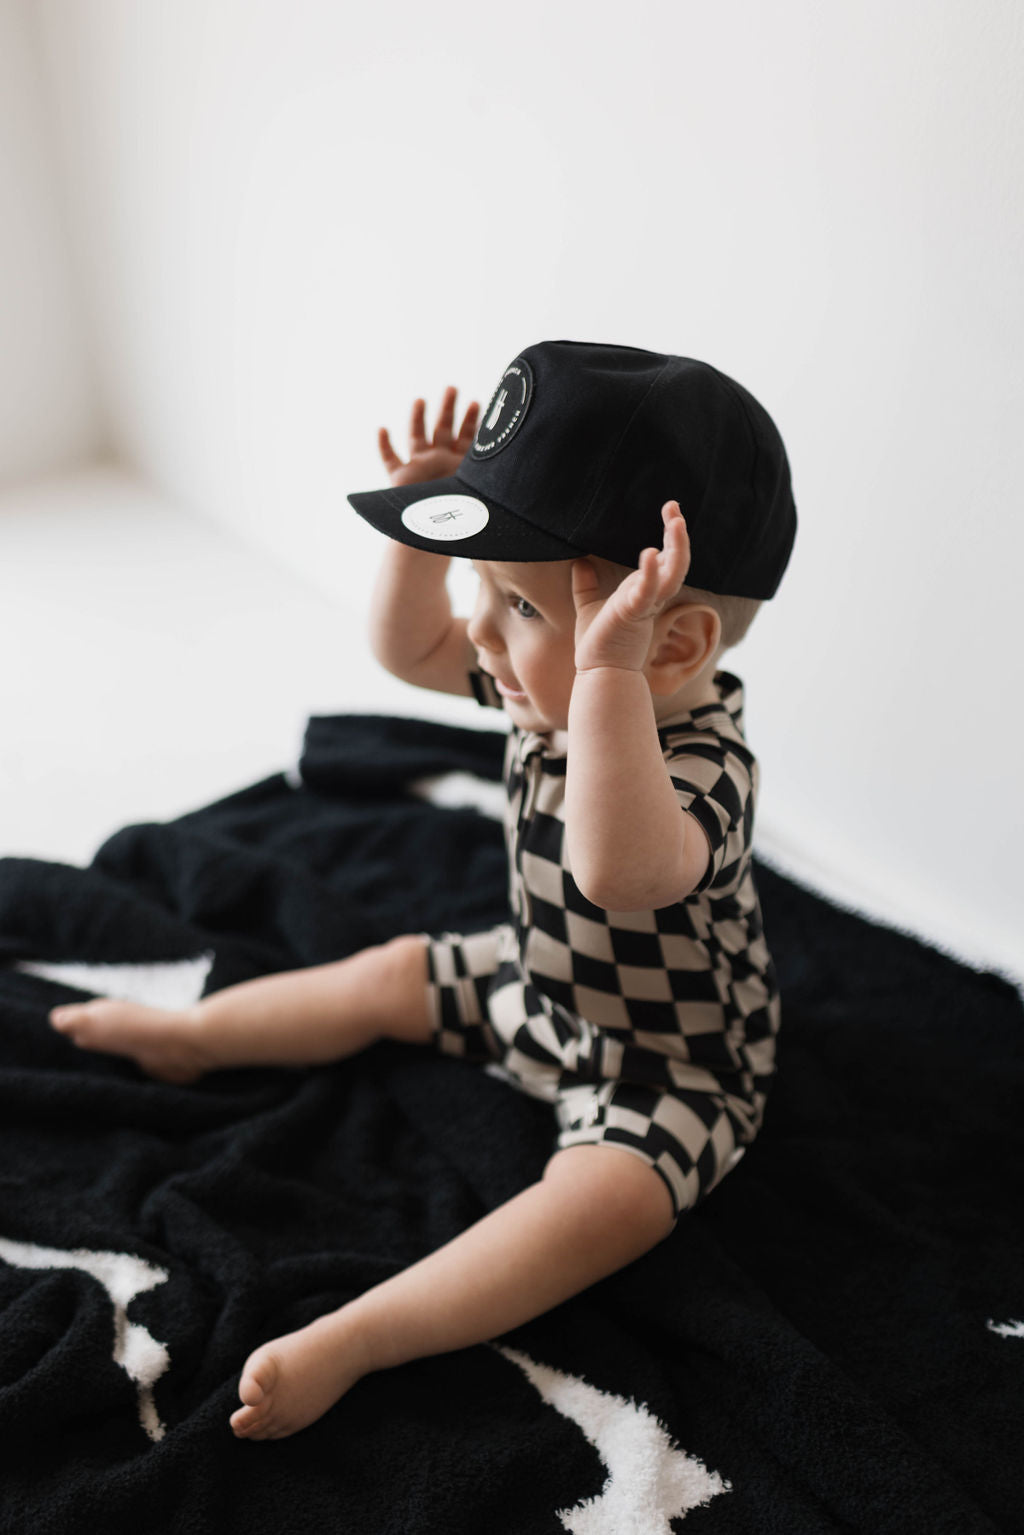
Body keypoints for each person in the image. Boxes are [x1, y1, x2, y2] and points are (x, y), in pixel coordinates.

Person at [49, 339, 797, 1441]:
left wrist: (599, 682)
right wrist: (419, 531)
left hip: (671, 1065)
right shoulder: (544, 682)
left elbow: (618, 867)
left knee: (596, 1207)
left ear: (671, 643)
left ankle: (359, 1334)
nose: (483, 634)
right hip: (534, 980)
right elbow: (412, 651)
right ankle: (198, 1036)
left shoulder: (700, 764)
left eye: (522, 607)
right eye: (483, 590)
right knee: (396, 969)